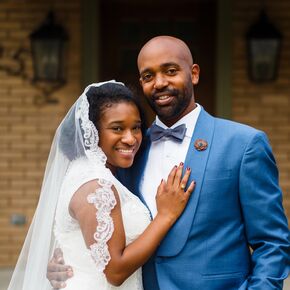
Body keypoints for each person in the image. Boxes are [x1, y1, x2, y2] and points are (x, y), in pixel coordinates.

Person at [48, 36, 290, 290]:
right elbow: (102, 233)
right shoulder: (127, 153)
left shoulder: (243, 144)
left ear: (194, 73)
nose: (160, 83)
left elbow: (272, 243)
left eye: (171, 71)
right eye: (148, 76)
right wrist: (67, 264)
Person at [8, 80, 195, 290]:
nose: (130, 138)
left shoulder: (88, 171)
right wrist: (165, 216)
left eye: (136, 128)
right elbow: (115, 271)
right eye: (117, 128)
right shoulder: (96, 184)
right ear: (92, 132)